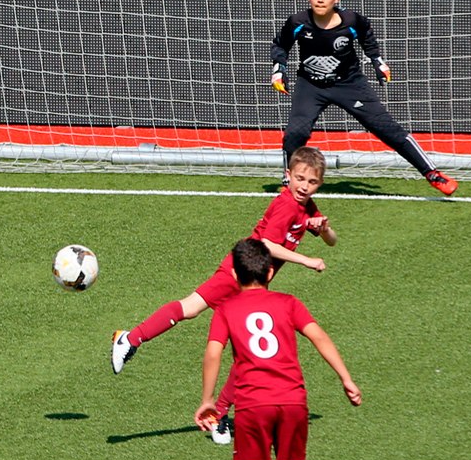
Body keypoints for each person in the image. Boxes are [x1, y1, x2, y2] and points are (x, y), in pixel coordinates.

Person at [194, 239, 362, 460]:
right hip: (292, 401)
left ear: (234, 275)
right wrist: (346, 378)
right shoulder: (288, 303)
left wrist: (208, 399)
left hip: (253, 404)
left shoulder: (226, 309)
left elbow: (213, 353)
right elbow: (320, 337)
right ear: (271, 272)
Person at [111, 147, 335, 385]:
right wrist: (307, 261)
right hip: (238, 272)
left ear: (320, 183)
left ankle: (219, 414)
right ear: (287, 174)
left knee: (243, 343)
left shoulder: (306, 206)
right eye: (300, 179)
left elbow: (331, 241)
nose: (304, 186)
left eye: (312, 182)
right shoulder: (287, 205)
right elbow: (268, 244)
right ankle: (131, 338)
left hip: (255, 278)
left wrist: (324, 229)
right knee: (193, 309)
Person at [271, 0, 458, 197]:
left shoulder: (352, 21)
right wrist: (279, 70)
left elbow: (367, 37)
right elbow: (280, 45)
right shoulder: (297, 22)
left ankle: (432, 173)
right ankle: (288, 179)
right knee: (295, 134)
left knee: (387, 128)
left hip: (349, 85)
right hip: (310, 86)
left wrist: (378, 62)